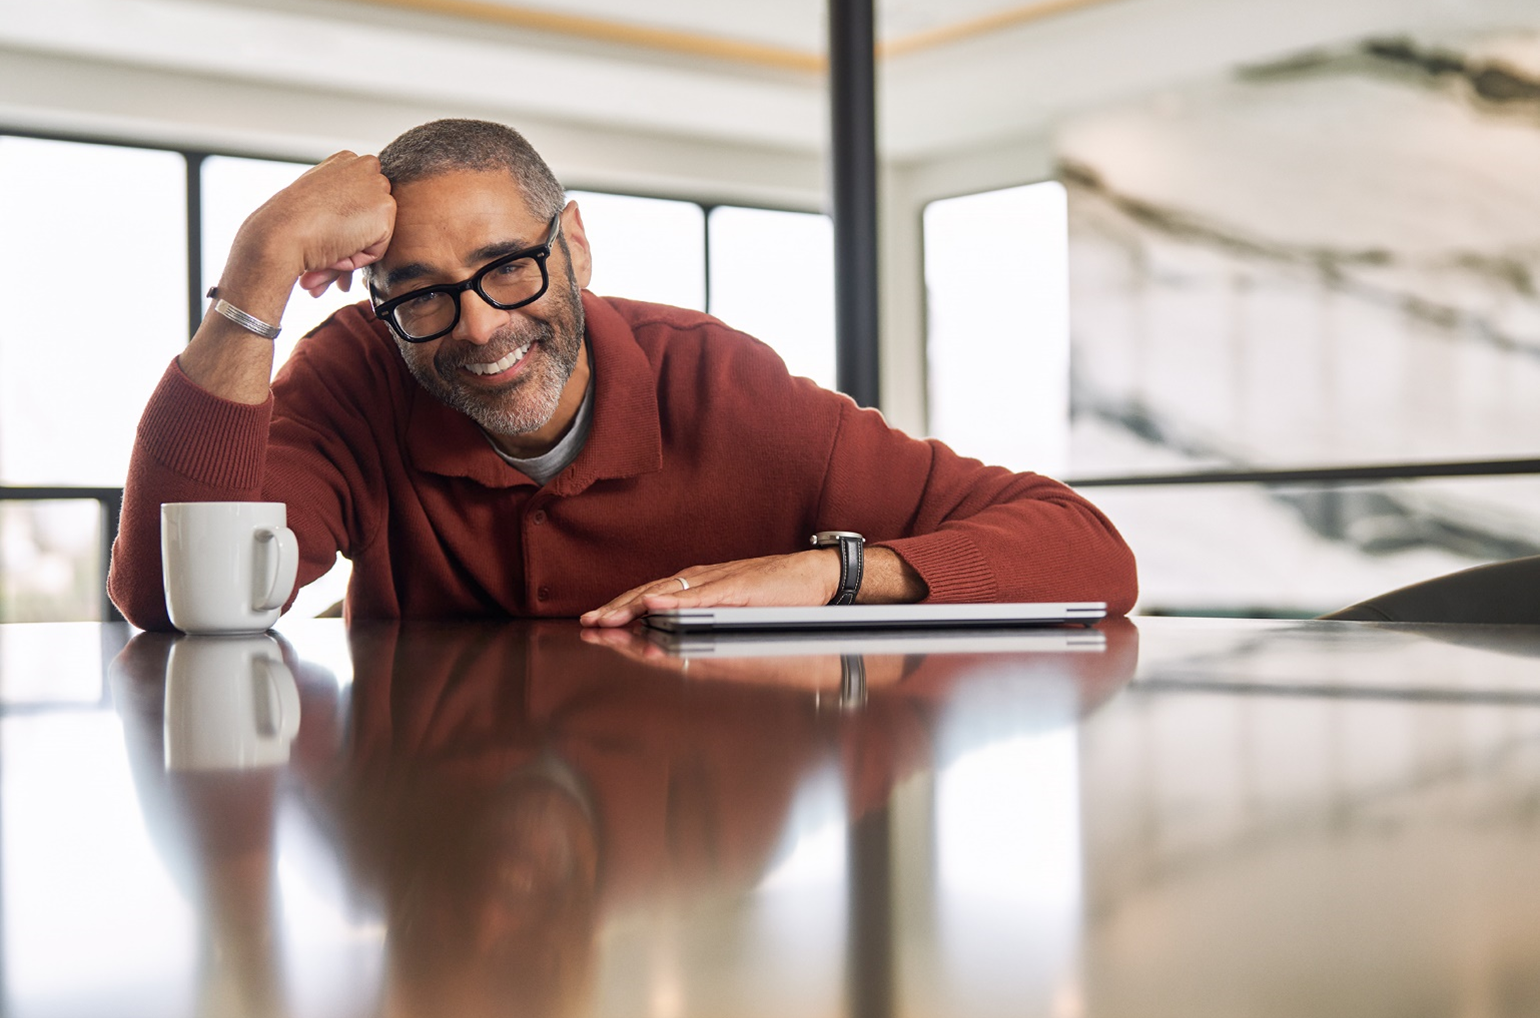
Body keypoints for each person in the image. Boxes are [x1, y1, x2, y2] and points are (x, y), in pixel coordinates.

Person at [107, 119, 1137, 631]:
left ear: (575, 249)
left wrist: (827, 575)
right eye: (419, 294)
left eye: (507, 267)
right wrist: (261, 261)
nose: (475, 326)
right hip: (414, 812)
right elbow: (167, 598)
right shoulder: (355, 377)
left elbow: (1087, 552)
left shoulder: (719, 384)